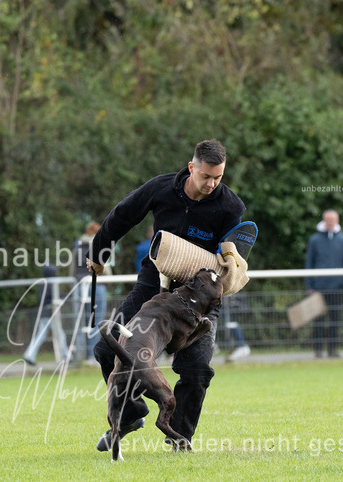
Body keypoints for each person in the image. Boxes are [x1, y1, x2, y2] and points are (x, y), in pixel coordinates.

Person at [86, 139, 246, 451]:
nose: (212, 184)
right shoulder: (161, 188)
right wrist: (98, 252)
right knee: (107, 351)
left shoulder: (231, 207)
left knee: (196, 369)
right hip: (153, 288)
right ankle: (131, 414)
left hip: (199, 299)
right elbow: (122, 216)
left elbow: (231, 251)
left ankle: (179, 436)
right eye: (206, 176)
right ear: (191, 168)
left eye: (218, 177)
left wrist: (233, 264)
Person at [305, 210, 343, 358]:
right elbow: (309, 262)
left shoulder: (342, 239)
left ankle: (333, 349)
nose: (330, 222)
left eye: (333, 220)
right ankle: (318, 350)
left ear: (337, 221)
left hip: (336, 287)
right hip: (318, 286)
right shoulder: (315, 240)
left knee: (335, 319)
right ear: (324, 221)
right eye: (328, 219)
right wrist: (309, 285)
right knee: (318, 320)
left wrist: (340, 279)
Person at [71, 221, 110, 364]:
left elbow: (73, 268)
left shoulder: (78, 245)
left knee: (82, 321)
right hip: (96, 285)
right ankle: (92, 356)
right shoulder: (100, 245)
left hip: (80, 285)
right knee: (97, 320)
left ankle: (81, 355)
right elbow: (106, 268)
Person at [23, 264, 66, 366]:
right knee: (59, 335)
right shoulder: (50, 285)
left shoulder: (45, 284)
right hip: (50, 314)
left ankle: (29, 355)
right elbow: (56, 297)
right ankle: (66, 356)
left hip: (47, 313)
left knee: (43, 335)